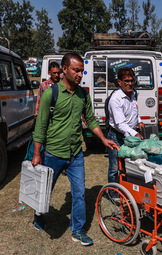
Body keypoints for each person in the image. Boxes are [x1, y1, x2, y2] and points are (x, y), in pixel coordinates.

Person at [32, 53, 116, 245]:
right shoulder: (50, 93)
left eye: (82, 71)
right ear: (64, 69)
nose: (79, 74)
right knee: (45, 191)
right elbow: (41, 126)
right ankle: (38, 216)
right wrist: (37, 153)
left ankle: (77, 230)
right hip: (53, 153)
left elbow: (91, 120)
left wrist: (103, 138)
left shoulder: (83, 94)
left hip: (75, 153)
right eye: (76, 70)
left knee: (79, 192)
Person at [107, 67, 145, 185]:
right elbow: (120, 124)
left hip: (130, 136)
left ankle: (127, 188)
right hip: (116, 137)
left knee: (130, 165)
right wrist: (135, 133)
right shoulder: (115, 99)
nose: (130, 84)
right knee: (114, 167)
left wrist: (139, 120)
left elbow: (134, 111)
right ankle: (113, 192)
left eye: (131, 81)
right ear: (119, 82)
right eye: (126, 81)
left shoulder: (133, 93)